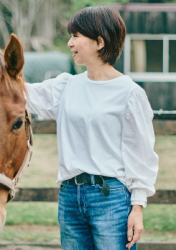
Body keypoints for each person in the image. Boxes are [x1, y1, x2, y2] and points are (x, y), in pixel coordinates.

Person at [24, 6, 158, 250]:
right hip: (69, 197)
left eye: (76, 36)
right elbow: (20, 94)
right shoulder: (66, 87)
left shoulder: (130, 93)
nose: (69, 43)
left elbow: (141, 155)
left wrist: (137, 207)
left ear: (99, 41)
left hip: (112, 199)